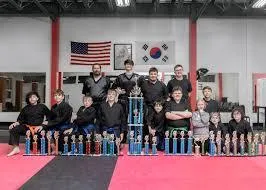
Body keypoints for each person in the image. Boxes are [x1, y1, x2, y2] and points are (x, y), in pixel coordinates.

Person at [7, 91, 50, 156]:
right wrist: (15, 123)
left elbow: (50, 116)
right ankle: (16, 148)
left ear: (37, 98)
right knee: (14, 129)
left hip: (39, 128)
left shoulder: (42, 107)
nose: (32, 98)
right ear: (28, 99)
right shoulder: (25, 108)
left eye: (34, 97)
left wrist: (43, 125)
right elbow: (20, 119)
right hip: (28, 128)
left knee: (39, 148)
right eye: (30, 97)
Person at [165, 86, 192, 153]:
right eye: (175, 93)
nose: (177, 94)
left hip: (184, 132)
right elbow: (168, 116)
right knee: (172, 152)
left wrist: (175, 112)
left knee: (184, 151)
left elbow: (190, 114)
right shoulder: (169, 103)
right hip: (171, 132)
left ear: (182, 94)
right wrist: (184, 115)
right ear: (172, 94)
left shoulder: (185, 102)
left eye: (179, 93)